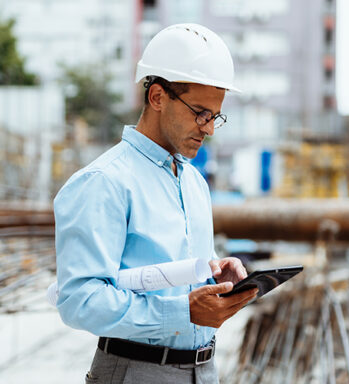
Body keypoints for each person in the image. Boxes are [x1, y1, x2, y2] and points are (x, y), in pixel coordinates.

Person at [54, 23, 257, 384]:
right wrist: (182, 312)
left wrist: (215, 275)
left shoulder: (194, 181)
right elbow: (79, 300)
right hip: (136, 371)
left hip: (203, 370)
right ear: (158, 97)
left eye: (215, 116)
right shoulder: (104, 182)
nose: (208, 128)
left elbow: (184, 278)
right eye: (200, 113)